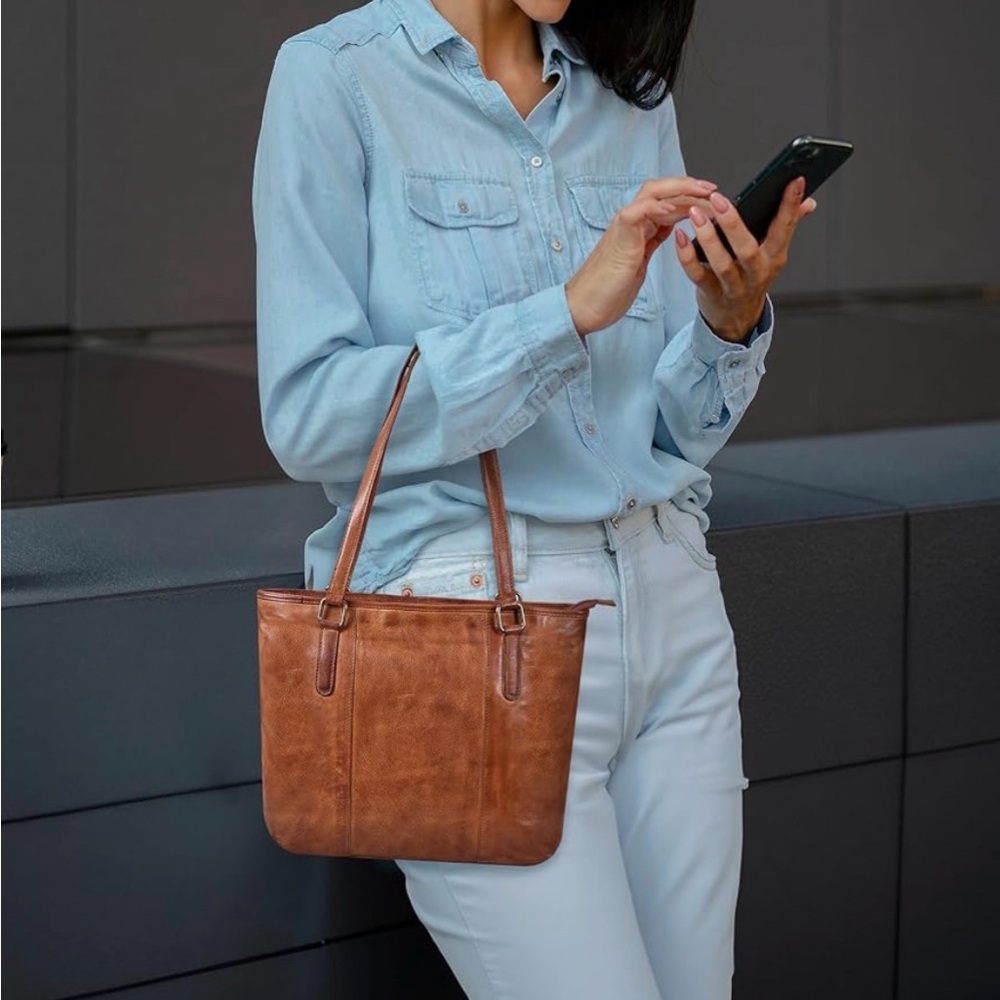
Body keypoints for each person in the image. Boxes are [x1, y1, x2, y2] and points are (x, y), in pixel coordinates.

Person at [252, 1, 815, 996]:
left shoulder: (627, 93)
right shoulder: (335, 77)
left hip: (674, 611)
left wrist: (726, 326)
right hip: (468, 636)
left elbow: (667, 433)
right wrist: (562, 315)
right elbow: (307, 414)